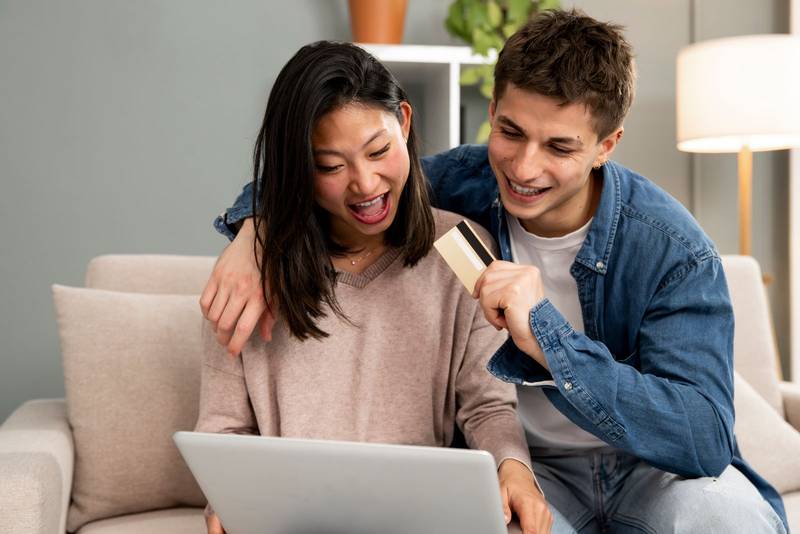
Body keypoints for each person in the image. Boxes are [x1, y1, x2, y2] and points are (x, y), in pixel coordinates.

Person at [201, 9, 790, 533]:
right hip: (535, 467)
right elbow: (322, 171)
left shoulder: (672, 251)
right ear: (492, 114)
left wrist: (549, 337)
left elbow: (703, 441)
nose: (524, 169)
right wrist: (254, 232)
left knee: (727, 522)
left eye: (560, 147)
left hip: (652, 468)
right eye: (510, 132)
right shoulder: (453, 186)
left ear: (606, 145)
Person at [195, 41, 559, 534]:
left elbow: (487, 405)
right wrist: (226, 496)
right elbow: (223, 429)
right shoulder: (249, 274)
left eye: (379, 151)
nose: (365, 184)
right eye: (330, 166)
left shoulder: (462, 249)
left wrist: (513, 469)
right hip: (291, 522)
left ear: (404, 123)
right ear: (299, 165)